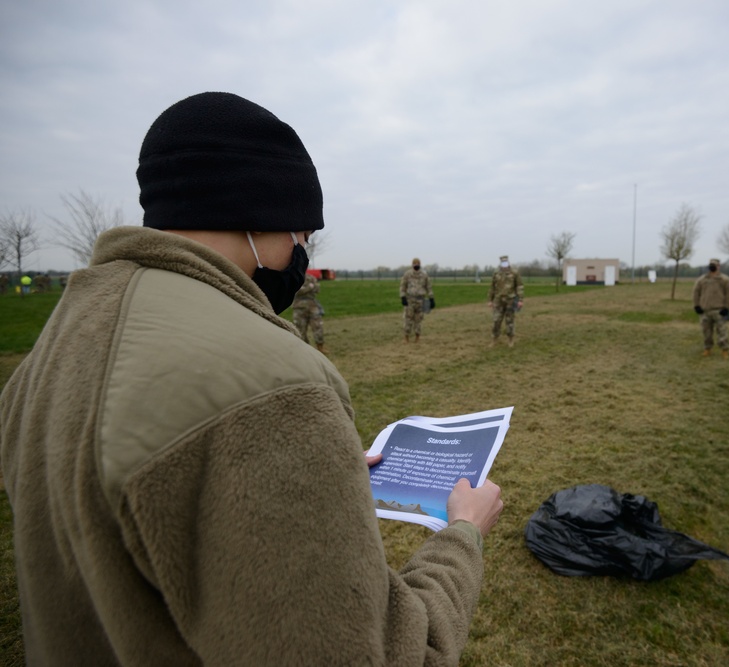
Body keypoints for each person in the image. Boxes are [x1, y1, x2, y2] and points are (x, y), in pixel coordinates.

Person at [0, 91, 503, 666]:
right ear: (259, 214)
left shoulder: (61, 337)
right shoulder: (272, 388)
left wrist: (315, 466)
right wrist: (462, 535)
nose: (302, 251)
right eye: (300, 233)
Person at [692, 258, 729, 359]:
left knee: (722, 332)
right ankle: (707, 349)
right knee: (706, 332)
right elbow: (696, 293)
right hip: (705, 310)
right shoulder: (702, 280)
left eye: (715, 264)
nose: (713, 266)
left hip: (719, 310)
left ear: (719, 266)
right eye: (711, 264)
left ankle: (725, 350)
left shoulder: (725, 280)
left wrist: (727, 308)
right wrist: (696, 305)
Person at [488, 255, 524, 347]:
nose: (504, 264)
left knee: (510, 321)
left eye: (505, 262)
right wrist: (490, 300)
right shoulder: (496, 273)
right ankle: (494, 339)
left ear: (508, 262)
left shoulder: (514, 272)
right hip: (498, 301)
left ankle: (510, 340)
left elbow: (519, 286)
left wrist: (520, 299)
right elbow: (492, 287)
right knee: (496, 321)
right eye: (502, 262)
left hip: (510, 301)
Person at [399, 257, 434, 343]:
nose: (416, 265)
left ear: (420, 264)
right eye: (415, 264)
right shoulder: (407, 274)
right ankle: (406, 337)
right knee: (408, 319)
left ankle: (417, 337)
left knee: (418, 320)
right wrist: (403, 297)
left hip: (420, 300)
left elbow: (428, 287)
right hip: (410, 300)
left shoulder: (424, 275)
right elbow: (403, 286)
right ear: (412, 264)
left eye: (418, 264)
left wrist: (431, 298)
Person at [293, 272, 326, 353]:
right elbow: (296, 291)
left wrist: (306, 288)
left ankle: (320, 347)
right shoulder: (295, 277)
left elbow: (317, 289)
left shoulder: (311, 278)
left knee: (318, 327)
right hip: (299, 308)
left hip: (313, 306)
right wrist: (310, 287)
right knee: (300, 329)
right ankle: (305, 349)